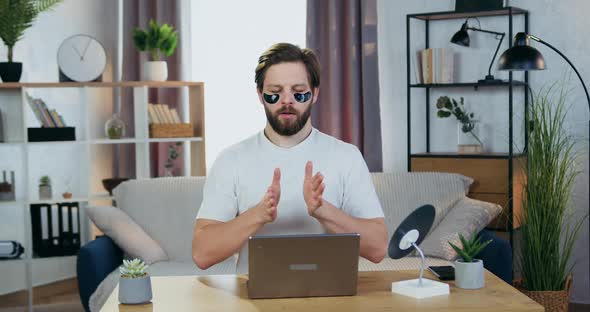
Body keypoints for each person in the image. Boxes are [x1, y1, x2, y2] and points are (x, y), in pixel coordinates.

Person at [192, 43, 388, 273]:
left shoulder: (347, 157)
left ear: (314, 93)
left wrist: (324, 211)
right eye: (275, 93)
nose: (287, 101)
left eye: (298, 92)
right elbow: (202, 253)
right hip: (254, 301)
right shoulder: (231, 160)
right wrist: (258, 214)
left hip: (332, 298)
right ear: (260, 95)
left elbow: (378, 249)